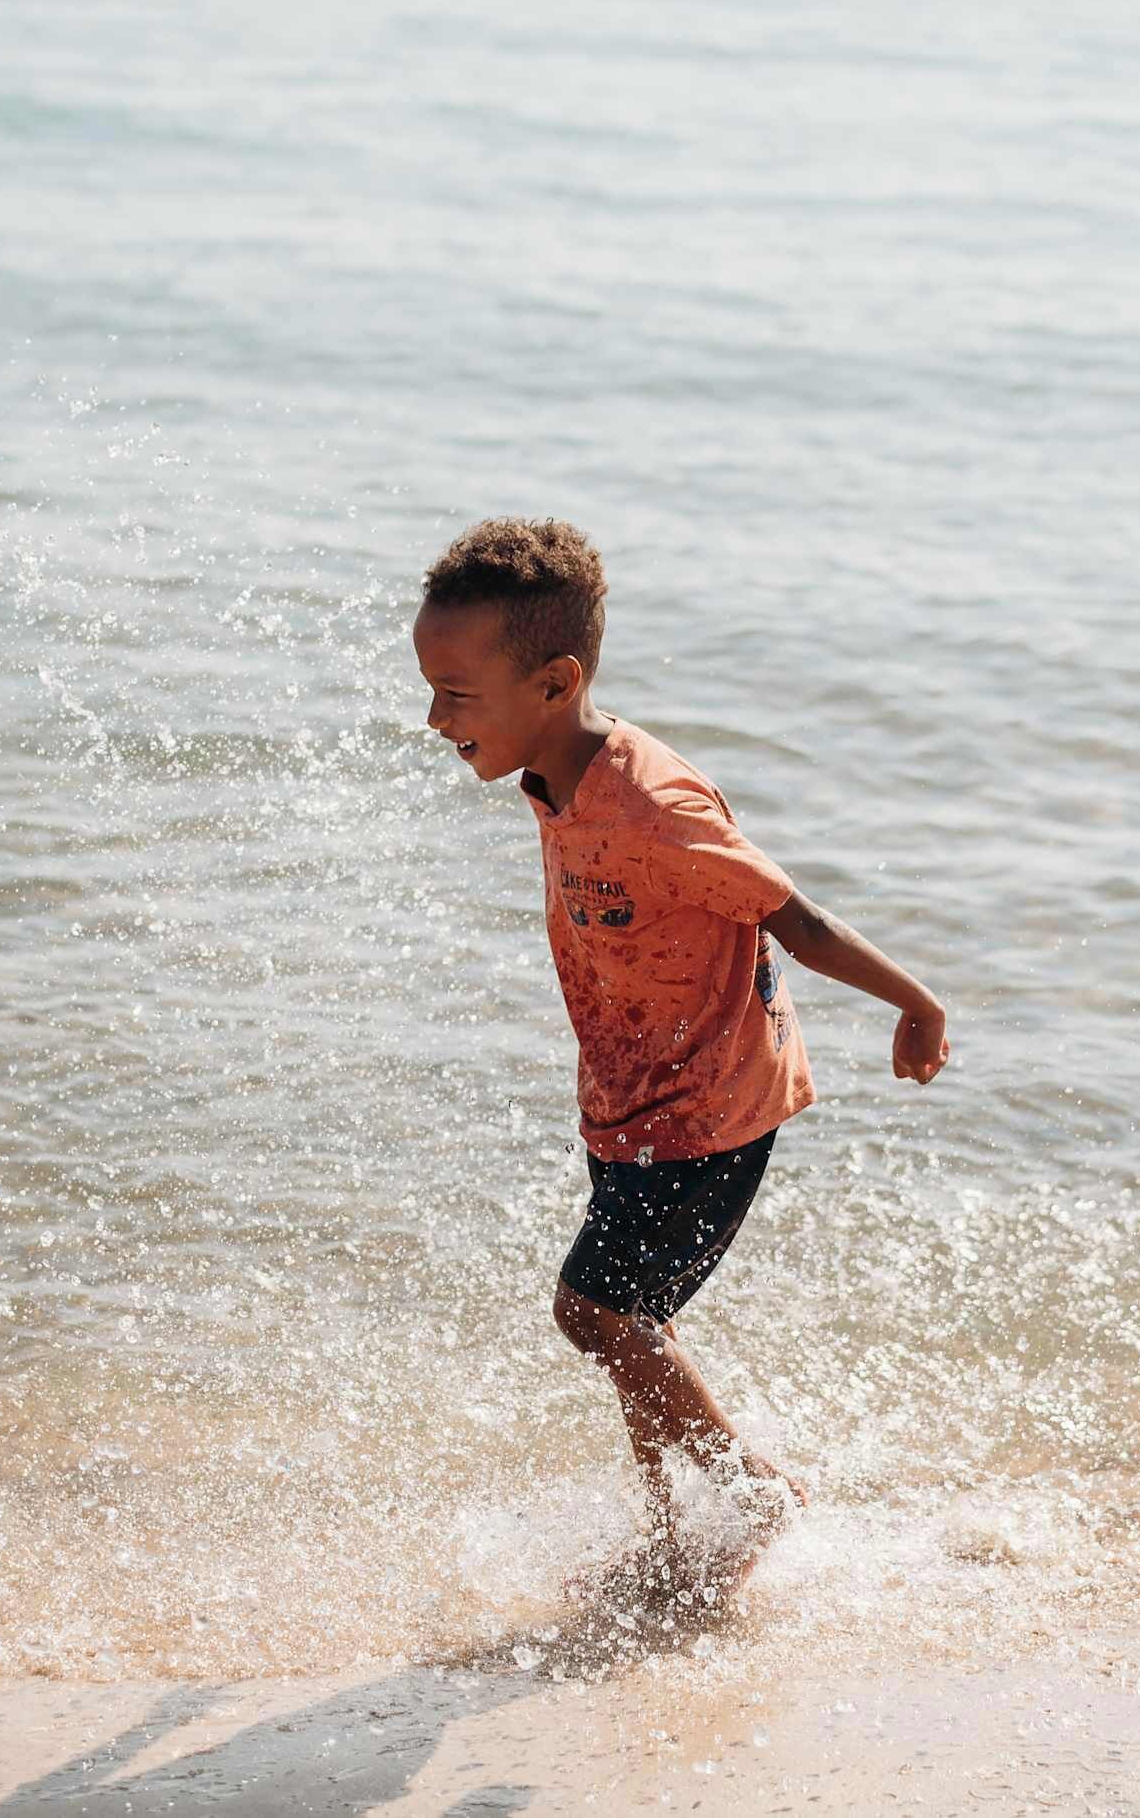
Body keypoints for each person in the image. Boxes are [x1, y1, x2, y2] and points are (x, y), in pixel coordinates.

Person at [411, 518, 947, 1608]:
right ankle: (672, 1536)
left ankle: (750, 1493)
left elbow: (793, 918)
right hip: (630, 1102)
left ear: (555, 683)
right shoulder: (552, 772)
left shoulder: (655, 807)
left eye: (458, 695)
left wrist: (915, 1003)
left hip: (711, 1111)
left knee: (594, 1312)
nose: (433, 718)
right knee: (634, 1329)